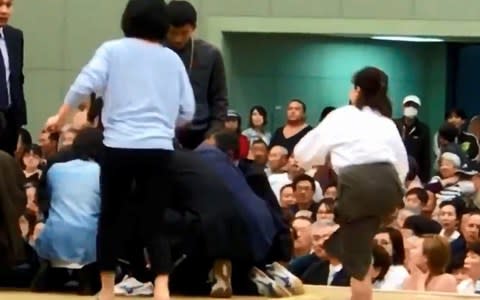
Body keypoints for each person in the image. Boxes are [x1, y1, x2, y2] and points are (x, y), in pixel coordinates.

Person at [44, 1, 196, 300]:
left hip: (118, 145)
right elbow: (188, 111)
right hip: (159, 148)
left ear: (128, 19)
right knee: (154, 218)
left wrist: (59, 118)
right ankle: (162, 287)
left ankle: (107, 288)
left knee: (111, 217)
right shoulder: (172, 60)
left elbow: (84, 83)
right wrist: (164, 123)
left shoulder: (112, 50)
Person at [294, 66, 408, 300]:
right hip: (389, 188)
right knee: (353, 243)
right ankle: (339, 246)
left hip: (358, 186)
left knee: (359, 267)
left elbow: (303, 153)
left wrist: (318, 161)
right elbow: (402, 165)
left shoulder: (341, 115)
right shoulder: (386, 122)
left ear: (357, 90)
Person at [166, 0, 227, 149]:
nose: (178, 39)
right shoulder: (155, 52)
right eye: (173, 32)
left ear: (193, 28)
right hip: (163, 132)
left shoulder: (211, 54)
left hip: (201, 135)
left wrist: (214, 134)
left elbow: (219, 99)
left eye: (184, 33)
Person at [0, 0, 27, 156]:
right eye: (0, 4)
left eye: (8, 5)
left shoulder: (15, 37)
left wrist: (19, 124)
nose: (4, 11)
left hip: (10, 118)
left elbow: (17, 79)